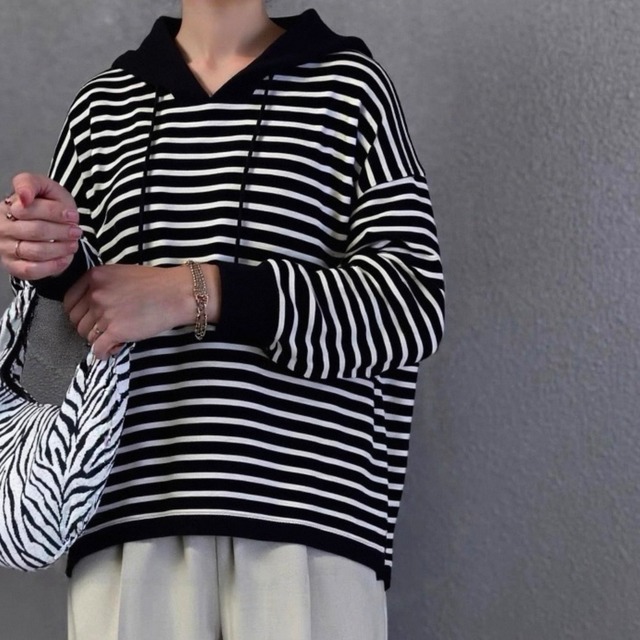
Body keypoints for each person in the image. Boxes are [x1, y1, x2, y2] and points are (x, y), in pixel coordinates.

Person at [0, 1, 444, 639]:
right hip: (128, 530)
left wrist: (196, 290)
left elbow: (411, 304)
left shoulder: (349, 89)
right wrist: (47, 261)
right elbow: (56, 353)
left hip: (305, 532)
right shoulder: (103, 108)